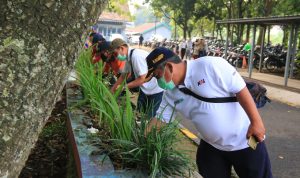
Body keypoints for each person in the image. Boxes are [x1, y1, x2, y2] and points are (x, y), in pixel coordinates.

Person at [145, 47, 273, 178]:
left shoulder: (210, 65)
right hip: (211, 147)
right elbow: (160, 121)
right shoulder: (170, 94)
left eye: (157, 75)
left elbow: (240, 89)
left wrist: (256, 122)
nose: (158, 81)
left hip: (244, 141)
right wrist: (140, 140)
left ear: (169, 67)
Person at [109, 38, 164, 117]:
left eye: (115, 54)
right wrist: (112, 90)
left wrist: (123, 87)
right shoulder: (129, 57)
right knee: (139, 114)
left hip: (155, 90)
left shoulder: (136, 56)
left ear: (121, 48)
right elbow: (123, 76)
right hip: (145, 89)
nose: (116, 57)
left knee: (150, 117)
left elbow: (141, 79)